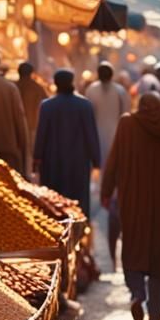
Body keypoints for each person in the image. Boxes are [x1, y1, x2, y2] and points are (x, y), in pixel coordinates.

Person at [101, 91, 160, 320]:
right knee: (159, 257)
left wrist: (107, 190)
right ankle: (155, 315)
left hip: (132, 202)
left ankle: (137, 293)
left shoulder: (127, 124)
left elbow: (113, 159)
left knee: (133, 249)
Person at [34, 69, 100, 217]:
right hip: (78, 161)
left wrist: (37, 157)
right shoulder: (84, 105)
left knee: (54, 202)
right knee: (78, 199)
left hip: (52, 160)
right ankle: (79, 229)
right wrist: (96, 161)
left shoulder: (47, 106)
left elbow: (41, 134)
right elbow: (91, 135)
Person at [85, 61, 131, 166]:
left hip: (104, 131)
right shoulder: (120, 90)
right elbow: (126, 112)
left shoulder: (92, 89)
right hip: (109, 131)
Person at [14, 62, 47, 153]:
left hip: (15, 126)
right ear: (31, 73)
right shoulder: (38, 88)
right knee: (31, 152)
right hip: (33, 126)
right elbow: (46, 106)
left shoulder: (14, 87)